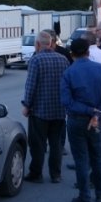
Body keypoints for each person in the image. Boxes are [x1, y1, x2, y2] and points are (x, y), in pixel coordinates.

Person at [60, 38, 101, 202]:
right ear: (88, 51)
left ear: (72, 54)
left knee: (81, 159)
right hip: (97, 120)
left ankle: (84, 197)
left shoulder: (69, 73)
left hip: (77, 121)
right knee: (97, 157)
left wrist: (88, 111)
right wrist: (97, 112)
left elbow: (66, 101)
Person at [22, 30, 69, 184]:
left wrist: (26, 105)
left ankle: (36, 174)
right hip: (59, 110)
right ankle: (56, 174)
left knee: (37, 144)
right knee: (56, 144)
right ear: (51, 43)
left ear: (37, 44)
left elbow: (31, 86)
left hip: (40, 110)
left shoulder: (36, 60)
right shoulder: (63, 59)